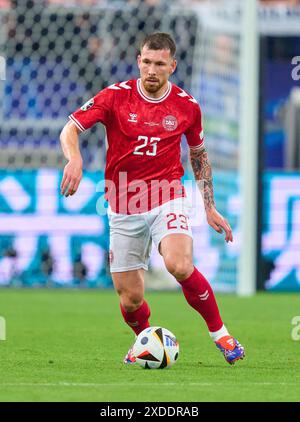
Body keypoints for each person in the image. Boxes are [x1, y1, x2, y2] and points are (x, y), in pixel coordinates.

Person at [59, 32, 245, 365]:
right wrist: (74, 158)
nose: (152, 70)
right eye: (146, 62)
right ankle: (145, 340)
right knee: (130, 299)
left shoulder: (187, 107)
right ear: (138, 61)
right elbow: (70, 128)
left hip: (167, 195)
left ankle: (221, 334)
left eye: (160, 64)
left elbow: (199, 156)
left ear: (172, 66)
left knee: (179, 264)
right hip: (122, 202)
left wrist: (209, 206)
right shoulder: (116, 97)